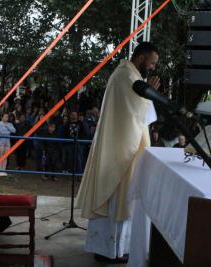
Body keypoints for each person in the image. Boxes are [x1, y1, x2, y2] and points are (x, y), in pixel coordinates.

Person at [75, 42, 160, 263]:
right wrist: (149, 93)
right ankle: (108, 251)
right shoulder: (126, 77)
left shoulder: (128, 75)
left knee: (119, 198)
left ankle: (110, 249)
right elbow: (136, 112)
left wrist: (147, 91)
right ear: (141, 58)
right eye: (151, 62)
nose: (152, 67)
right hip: (120, 150)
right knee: (116, 196)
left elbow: (137, 113)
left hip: (120, 146)